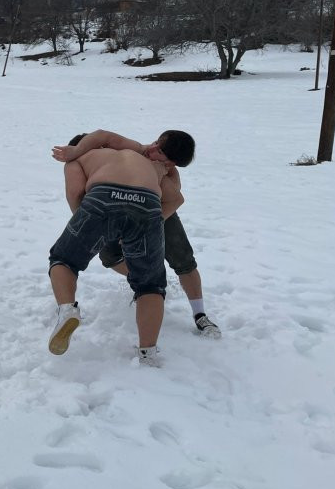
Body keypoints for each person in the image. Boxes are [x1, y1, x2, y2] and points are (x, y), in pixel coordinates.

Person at [48, 129, 196, 365]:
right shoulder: (139, 157)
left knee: (64, 260)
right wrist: (153, 223)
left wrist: (92, 230)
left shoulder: (77, 158)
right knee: (150, 285)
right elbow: (176, 197)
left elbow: (76, 193)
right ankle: (148, 353)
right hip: (148, 206)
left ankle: (67, 310)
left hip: (102, 198)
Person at [65, 131, 221, 339]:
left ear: (172, 163)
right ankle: (146, 285)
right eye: (157, 143)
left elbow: (175, 198)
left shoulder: (166, 171)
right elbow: (103, 138)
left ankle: (200, 314)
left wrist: (152, 222)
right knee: (110, 257)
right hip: (111, 209)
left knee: (183, 260)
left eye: (161, 152)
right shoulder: (130, 151)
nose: (152, 149)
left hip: (156, 212)